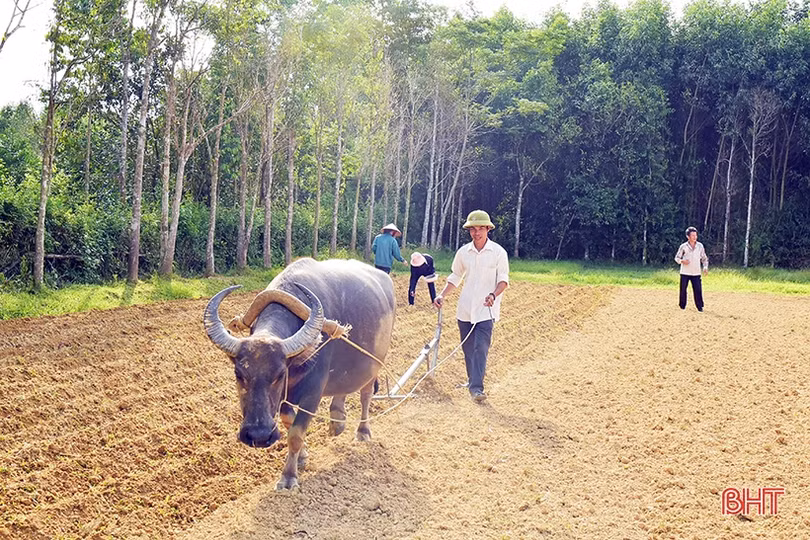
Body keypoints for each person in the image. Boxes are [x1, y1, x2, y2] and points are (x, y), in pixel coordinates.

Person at [433, 210, 509, 402]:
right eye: (473, 229)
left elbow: (503, 281)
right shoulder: (463, 252)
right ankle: (471, 381)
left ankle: (477, 388)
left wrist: (493, 294)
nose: (477, 233)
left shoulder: (499, 253)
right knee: (467, 349)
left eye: (480, 228)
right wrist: (441, 295)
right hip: (465, 309)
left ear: (488, 229)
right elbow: (455, 277)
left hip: (486, 309)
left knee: (480, 348)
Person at [675, 226, 709, 312]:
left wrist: (705, 267)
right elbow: (677, 258)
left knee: (698, 290)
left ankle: (699, 306)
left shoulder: (700, 246)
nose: (695, 237)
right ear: (688, 236)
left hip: (696, 272)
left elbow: (704, 258)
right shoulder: (683, 246)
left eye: (696, 235)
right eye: (693, 235)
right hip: (685, 272)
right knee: (683, 290)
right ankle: (682, 306)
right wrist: (682, 261)